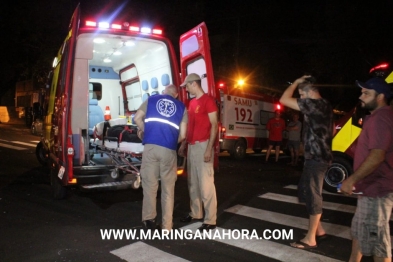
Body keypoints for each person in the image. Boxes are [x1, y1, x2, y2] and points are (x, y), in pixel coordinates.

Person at [340, 77, 393, 262]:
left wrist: (351, 180)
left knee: (378, 243)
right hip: (369, 189)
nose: (361, 96)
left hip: (377, 191)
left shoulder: (381, 118)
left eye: (366, 93)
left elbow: (377, 155)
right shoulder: (376, 117)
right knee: (358, 233)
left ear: (380, 97)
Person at [279, 75, 333, 249]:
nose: (301, 99)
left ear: (310, 92)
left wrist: (294, 83)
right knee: (304, 190)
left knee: (313, 193)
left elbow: (284, 99)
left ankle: (311, 238)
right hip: (319, 156)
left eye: (302, 94)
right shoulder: (326, 104)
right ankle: (319, 230)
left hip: (316, 158)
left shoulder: (314, 104)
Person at [134, 84, 187, 231]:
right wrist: (169, 141)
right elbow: (183, 135)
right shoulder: (182, 107)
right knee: (168, 189)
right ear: (176, 95)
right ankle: (167, 226)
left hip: (151, 148)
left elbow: (137, 118)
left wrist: (147, 131)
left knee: (150, 187)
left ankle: (149, 222)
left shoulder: (151, 100)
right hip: (169, 150)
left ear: (164, 92)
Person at [178, 73, 218, 231]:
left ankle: (210, 219)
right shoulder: (192, 102)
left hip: (203, 146)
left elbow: (214, 125)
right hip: (192, 146)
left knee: (206, 184)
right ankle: (196, 213)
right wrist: (184, 144)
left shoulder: (208, 101)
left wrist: (209, 148)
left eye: (187, 85)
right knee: (192, 183)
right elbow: (190, 126)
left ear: (194, 84)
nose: (186, 89)